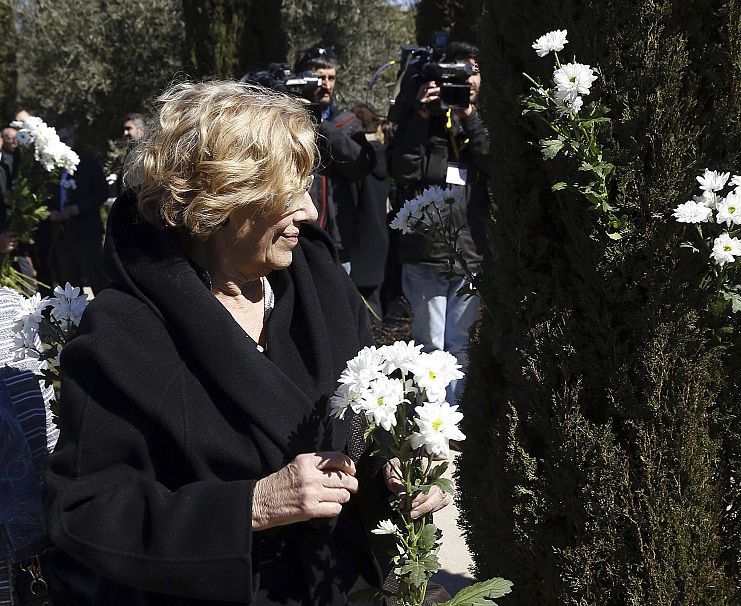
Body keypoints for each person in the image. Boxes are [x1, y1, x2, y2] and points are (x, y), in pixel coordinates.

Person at [45, 81, 449, 605]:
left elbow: (363, 421)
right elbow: (85, 509)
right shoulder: (125, 331)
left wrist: (397, 469)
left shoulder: (322, 284)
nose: (309, 212)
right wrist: (251, 506)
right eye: (288, 193)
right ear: (220, 200)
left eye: (308, 188)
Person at [388, 41, 490, 405]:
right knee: (429, 344)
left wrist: (469, 117)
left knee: (460, 343)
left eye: (472, 72)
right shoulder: (423, 118)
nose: (466, 81)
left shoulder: (483, 120)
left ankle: (455, 418)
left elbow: (494, 162)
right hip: (425, 253)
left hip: (470, 252)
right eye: (457, 73)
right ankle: (429, 420)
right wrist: (420, 115)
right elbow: (402, 170)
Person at [295, 46, 376, 274]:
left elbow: (360, 165)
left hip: (337, 238)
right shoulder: (286, 119)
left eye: (331, 78)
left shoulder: (347, 123)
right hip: (297, 234)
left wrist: (319, 124)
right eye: (320, 78)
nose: (326, 85)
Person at [35, 124, 109, 294]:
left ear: (74, 139)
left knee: (96, 277)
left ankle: (106, 310)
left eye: (66, 139)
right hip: (61, 234)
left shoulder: (88, 162)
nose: (63, 143)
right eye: (59, 140)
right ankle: (74, 312)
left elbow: (102, 192)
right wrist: (51, 212)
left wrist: (78, 209)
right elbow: (47, 196)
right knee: (69, 283)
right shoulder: (52, 167)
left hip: (86, 232)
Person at [348, 103, 392, 324]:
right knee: (374, 307)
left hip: (358, 244)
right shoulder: (386, 156)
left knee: (357, 313)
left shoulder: (356, 163)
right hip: (381, 240)